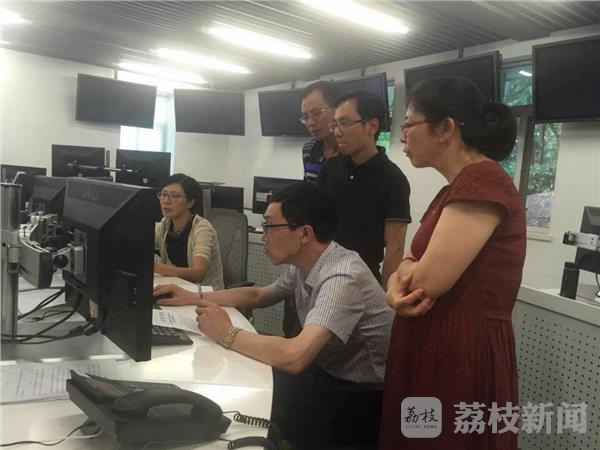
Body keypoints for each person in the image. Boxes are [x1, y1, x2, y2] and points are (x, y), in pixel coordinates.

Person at [154, 182, 394, 450]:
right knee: (246, 378)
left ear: (304, 234)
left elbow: (295, 356)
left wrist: (226, 333)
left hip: (359, 399)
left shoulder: (342, 276)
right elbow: (259, 295)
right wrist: (194, 297)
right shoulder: (307, 263)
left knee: (247, 398)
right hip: (327, 374)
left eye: (269, 226)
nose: (263, 235)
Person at [380, 76, 525, 450]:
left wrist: (403, 278)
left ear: (445, 128)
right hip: (434, 340)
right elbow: (408, 262)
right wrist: (395, 286)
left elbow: (425, 281)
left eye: (409, 124)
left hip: (462, 349)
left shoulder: (483, 182)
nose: (402, 136)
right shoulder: (452, 190)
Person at [318, 90, 411, 288]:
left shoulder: (393, 179)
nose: (337, 132)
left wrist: (385, 300)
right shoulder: (331, 167)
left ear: (372, 126)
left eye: (345, 123)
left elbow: (395, 249)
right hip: (321, 272)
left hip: (360, 282)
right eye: (335, 124)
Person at [154, 173, 224, 289]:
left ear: (190, 203)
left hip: (205, 294)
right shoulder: (165, 224)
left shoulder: (202, 228)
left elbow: (198, 273)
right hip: (178, 289)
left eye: (175, 196)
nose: (166, 201)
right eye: (163, 194)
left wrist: (157, 268)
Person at [300, 80, 340, 183]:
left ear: (336, 109)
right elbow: (307, 189)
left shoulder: (353, 150)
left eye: (316, 113)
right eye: (305, 117)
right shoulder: (308, 149)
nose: (310, 123)